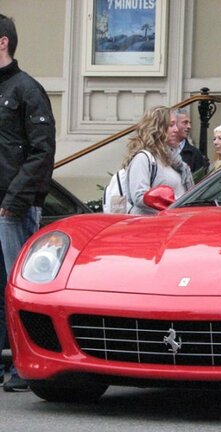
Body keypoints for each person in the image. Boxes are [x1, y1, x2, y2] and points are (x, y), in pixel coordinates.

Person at [0, 14, 56, 391]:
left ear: (2, 42)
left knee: (18, 289)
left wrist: (12, 203)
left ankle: (25, 364)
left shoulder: (27, 89)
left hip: (13, 207)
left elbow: (42, 152)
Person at [124, 106, 193, 215]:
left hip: (174, 222)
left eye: (175, 124)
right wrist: (168, 203)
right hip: (153, 225)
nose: (176, 129)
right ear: (158, 128)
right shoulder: (144, 158)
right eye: (171, 125)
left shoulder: (173, 161)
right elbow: (139, 197)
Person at [173, 108, 209, 174]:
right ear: (174, 124)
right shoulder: (162, 149)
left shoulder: (195, 153)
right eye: (185, 122)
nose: (189, 126)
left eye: (190, 123)